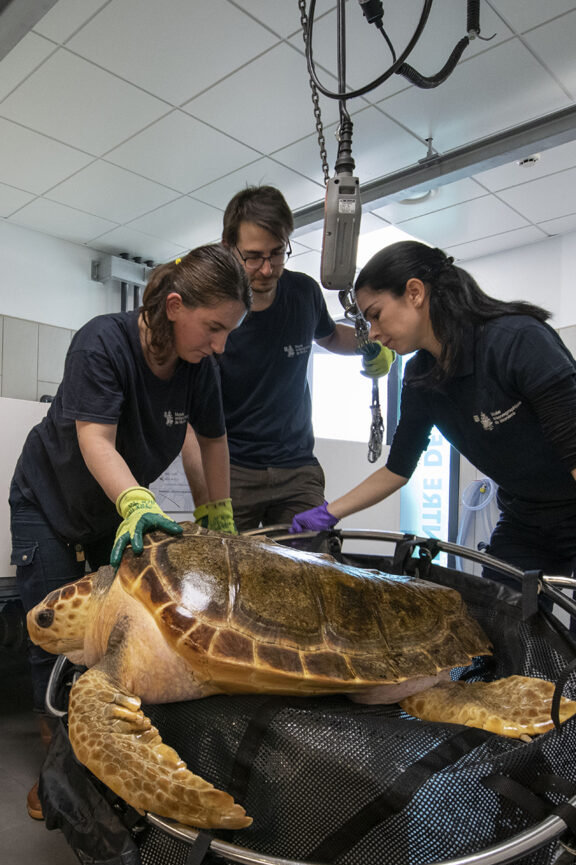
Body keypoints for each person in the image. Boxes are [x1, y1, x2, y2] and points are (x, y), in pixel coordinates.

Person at [10, 243, 251, 819]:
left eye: (227, 333)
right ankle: (59, 779)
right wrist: (138, 502)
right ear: (174, 305)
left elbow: (213, 441)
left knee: (112, 642)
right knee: (61, 645)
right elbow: (95, 439)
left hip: (112, 515)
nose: (218, 345)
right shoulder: (103, 341)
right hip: (48, 501)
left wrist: (218, 518)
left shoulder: (200, 369)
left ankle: (106, 767)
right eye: (213, 328)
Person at [291, 240, 576, 587]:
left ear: (414, 292)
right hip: (525, 515)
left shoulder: (516, 342)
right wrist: (328, 513)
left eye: (375, 315)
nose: (374, 335)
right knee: (498, 615)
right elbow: (397, 470)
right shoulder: (421, 378)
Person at [190, 185, 394, 532]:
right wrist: (208, 502)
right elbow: (191, 420)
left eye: (277, 253)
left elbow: (329, 336)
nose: (267, 270)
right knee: (224, 572)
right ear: (229, 248)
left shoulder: (303, 293)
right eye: (253, 256)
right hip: (233, 469)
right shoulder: (214, 313)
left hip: (297, 466)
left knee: (312, 565)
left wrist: (371, 342)